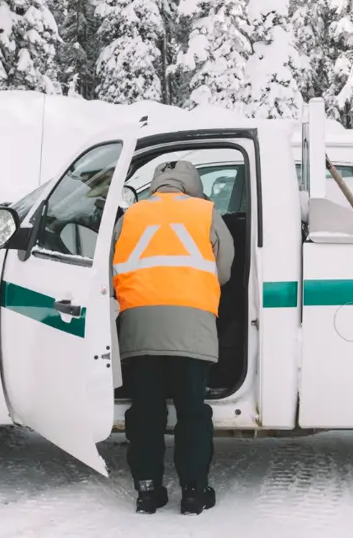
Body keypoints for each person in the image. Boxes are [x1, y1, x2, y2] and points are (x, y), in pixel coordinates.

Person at [111, 160, 235, 515]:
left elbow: (111, 269)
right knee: (192, 411)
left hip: (138, 327)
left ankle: (148, 490)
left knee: (146, 411)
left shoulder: (130, 216)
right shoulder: (205, 213)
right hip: (192, 328)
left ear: (156, 184)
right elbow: (224, 270)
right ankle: (194, 492)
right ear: (192, 185)